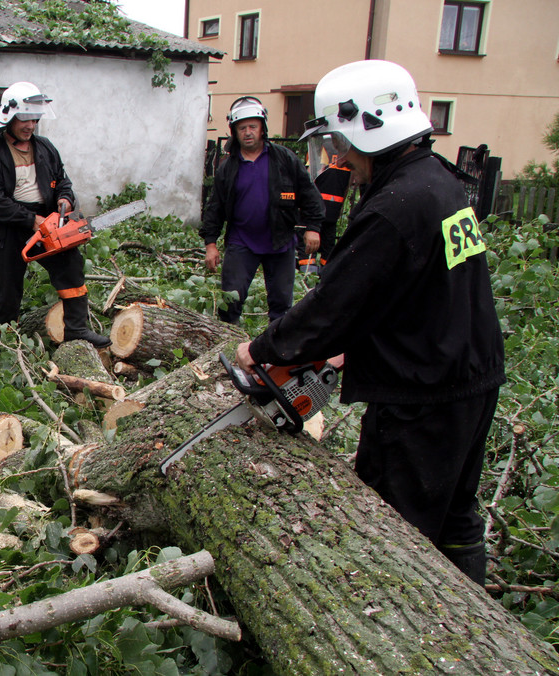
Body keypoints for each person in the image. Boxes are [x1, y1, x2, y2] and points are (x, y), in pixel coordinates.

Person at [234, 60, 505, 585]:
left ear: (368, 126)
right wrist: (355, 346)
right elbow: (417, 290)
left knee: (397, 530)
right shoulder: (440, 181)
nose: (338, 156)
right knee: (455, 518)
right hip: (471, 375)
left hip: (421, 395)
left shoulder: (394, 207)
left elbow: (335, 306)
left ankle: (411, 632)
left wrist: (265, 348)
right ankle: (475, 615)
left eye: (339, 140)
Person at [0, 81, 110, 348]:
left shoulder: (45, 148)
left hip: (47, 218)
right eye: (24, 119)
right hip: (7, 226)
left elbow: (62, 180)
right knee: (7, 288)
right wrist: (30, 220)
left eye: (34, 119)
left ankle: (76, 329)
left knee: (71, 266)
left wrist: (65, 199)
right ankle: (2, 342)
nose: (30, 125)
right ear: (9, 117)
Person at [200, 96, 325, 324]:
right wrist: (210, 244)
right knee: (230, 301)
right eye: (242, 128)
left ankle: (275, 353)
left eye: (252, 127)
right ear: (234, 131)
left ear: (262, 128)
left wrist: (313, 227)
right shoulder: (228, 168)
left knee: (281, 305)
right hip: (242, 242)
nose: (248, 132)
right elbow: (214, 208)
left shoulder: (284, 159)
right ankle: (229, 347)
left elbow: (309, 194)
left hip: (280, 242)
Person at [297, 150, 352, 273]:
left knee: (307, 244)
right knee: (328, 244)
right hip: (334, 206)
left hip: (315, 206)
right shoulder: (346, 149)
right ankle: (326, 274)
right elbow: (349, 183)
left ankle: (308, 276)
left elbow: (311, 175)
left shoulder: (321, 146)